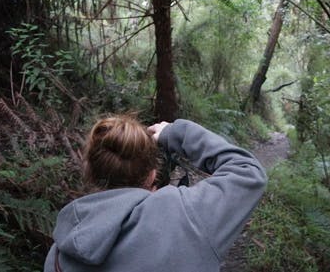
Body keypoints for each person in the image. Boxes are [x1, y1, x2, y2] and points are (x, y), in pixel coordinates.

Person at [43, 115, 267, 272]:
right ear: (152, 176)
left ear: (89, 171)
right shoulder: (186, 217)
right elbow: (247, 171)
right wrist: (175, 133)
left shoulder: (59, 253)